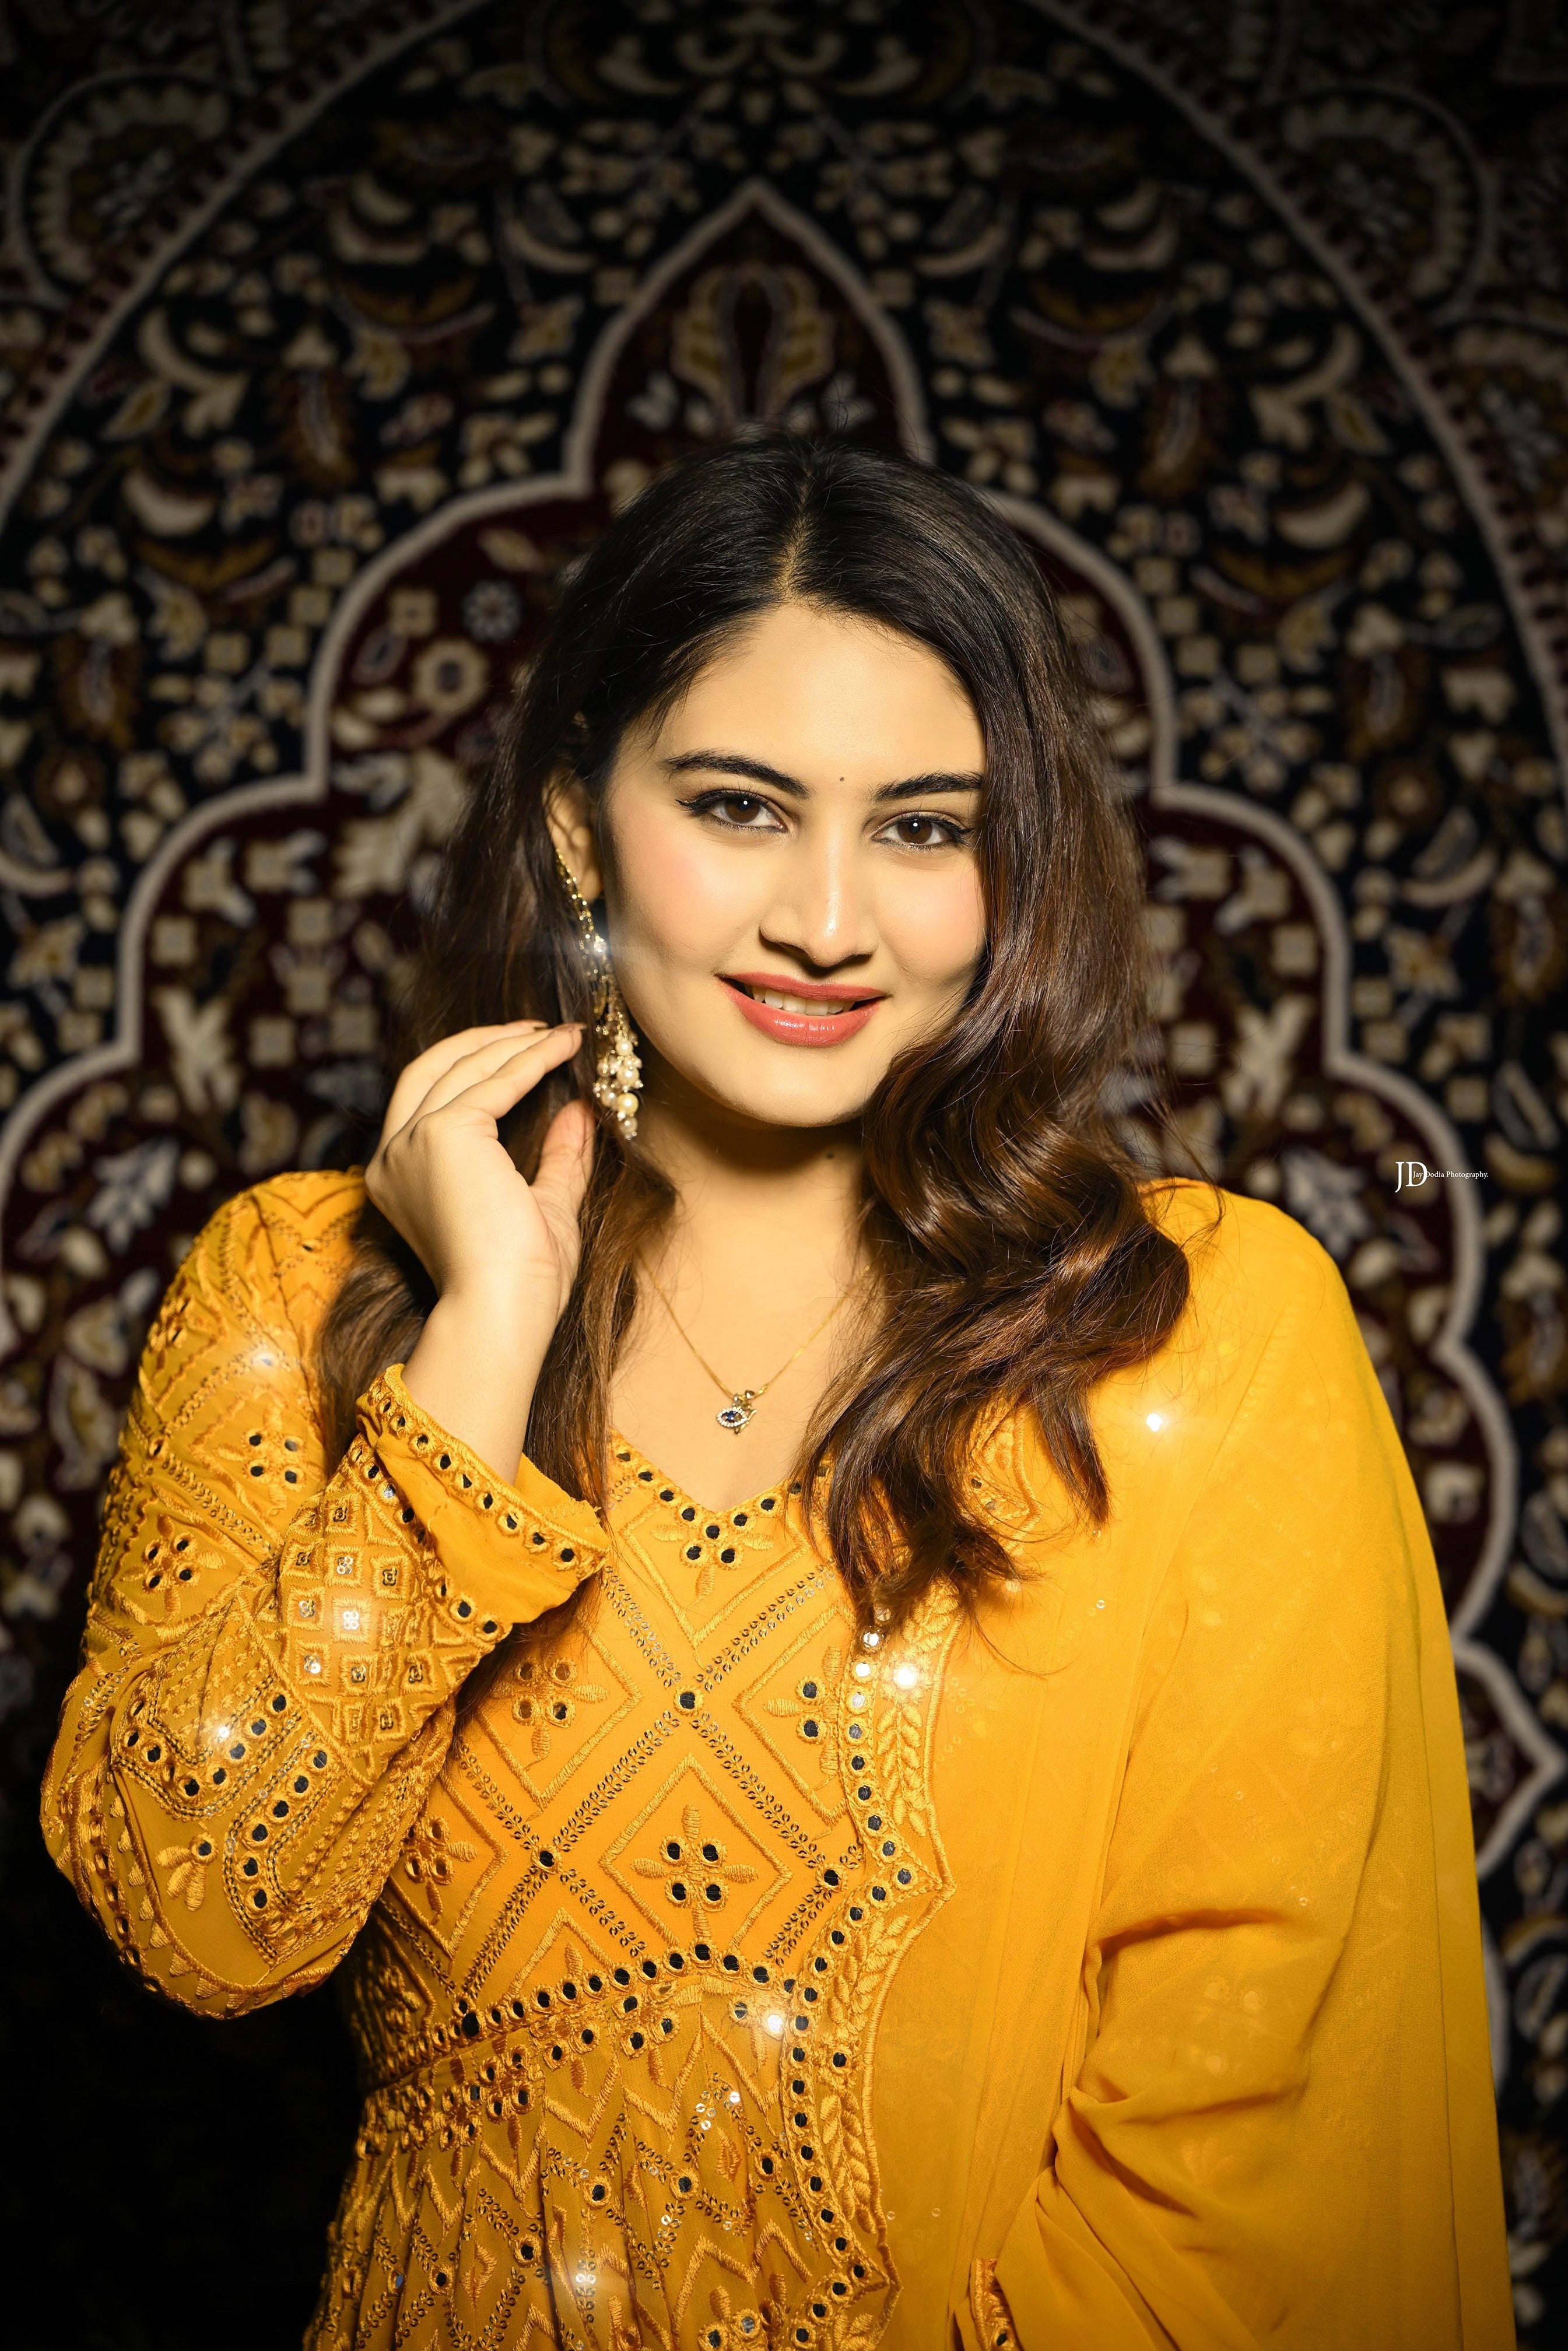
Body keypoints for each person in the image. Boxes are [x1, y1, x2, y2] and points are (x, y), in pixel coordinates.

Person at [41, 436, 1511, 2349]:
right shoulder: (302, 1286)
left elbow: (1250, 2128)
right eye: (740, 807)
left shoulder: (1186, 1333)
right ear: (578, 821)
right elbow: (197, 1921)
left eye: (921, 828)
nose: (829, 918)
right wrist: (477, 1347)